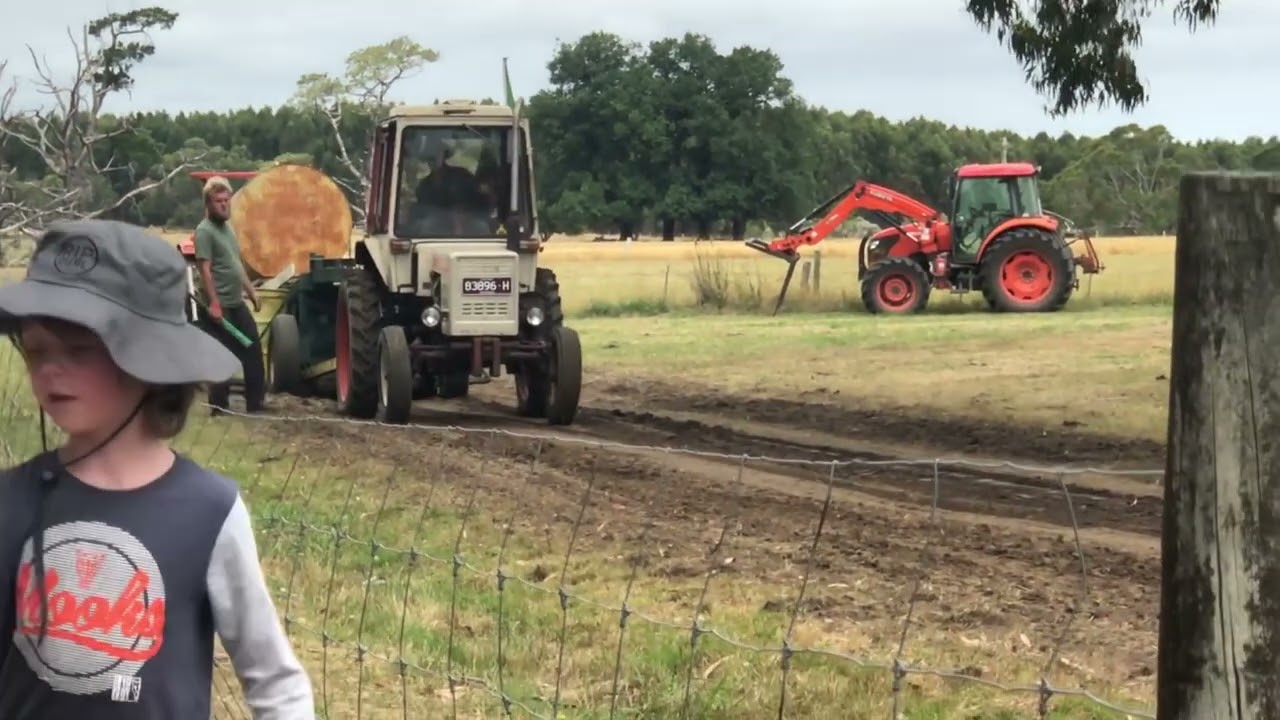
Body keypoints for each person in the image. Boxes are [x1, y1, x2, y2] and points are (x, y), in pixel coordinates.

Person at [0, 219, 315, 718]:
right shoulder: (10, 500)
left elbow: (276, 683)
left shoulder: (208, 512)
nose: (49, 369)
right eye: (37, 350)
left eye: (79, 350)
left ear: (147, 360)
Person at [194, 176, 265, 414]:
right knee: (222, 355)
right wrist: (213, 303)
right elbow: (205, 269)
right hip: (220, 305)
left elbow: (236, 265)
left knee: (253, 349)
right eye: (219, 201)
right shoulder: (204, 232)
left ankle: (255, 404)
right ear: (209, 204)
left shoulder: (228, 229)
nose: (224, 205)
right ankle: (218, 406)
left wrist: (252, 292)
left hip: (236, 303)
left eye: (227, 200)